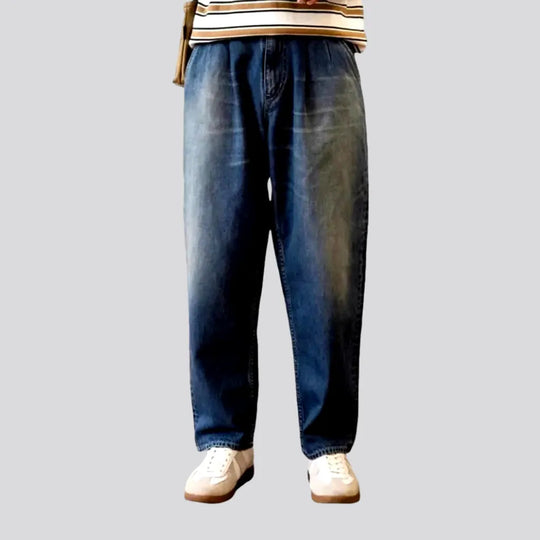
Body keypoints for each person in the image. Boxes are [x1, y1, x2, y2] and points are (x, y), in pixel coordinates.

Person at [178, 0, 369, 504]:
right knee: (216, 257)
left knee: (327, 257)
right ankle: (225, 438)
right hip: (220, 42)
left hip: (321, 41)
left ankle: (328, 442)